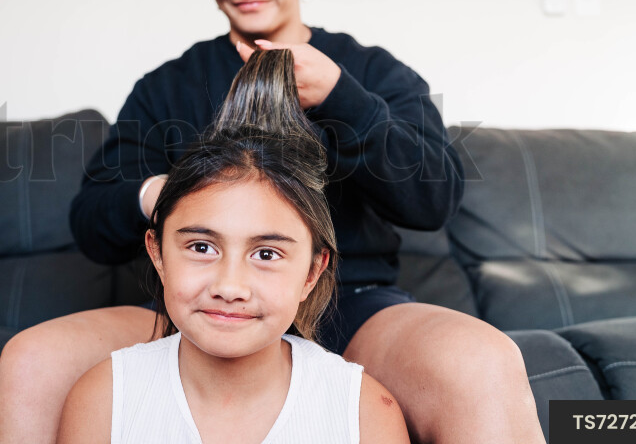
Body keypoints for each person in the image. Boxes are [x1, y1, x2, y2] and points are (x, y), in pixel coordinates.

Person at [0, 0, 546, 444]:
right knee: (33, 360)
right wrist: (163, 194)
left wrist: (343, 99)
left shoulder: (370, 73)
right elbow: (93, 222)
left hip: (349, 306)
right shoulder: (166, 88)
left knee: (481, 363)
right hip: (194, 310)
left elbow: (433, 199)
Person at [56, 49, 409, 443]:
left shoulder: (364, 414)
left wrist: (345, 98)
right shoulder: (102, 400)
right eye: (202, 247)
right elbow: (92, 216)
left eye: (266, 253)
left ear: (313, 271)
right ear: (156, 252)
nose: (230, 286)